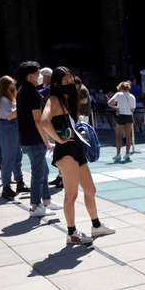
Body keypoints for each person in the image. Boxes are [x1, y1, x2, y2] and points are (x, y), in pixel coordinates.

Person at [40, 67, 115, 244]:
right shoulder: (54, 99)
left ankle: (96, 226)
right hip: (66, 152)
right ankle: (72, 233)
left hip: (77, 149)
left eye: (71, 81)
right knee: (71, 195)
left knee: (90, 190)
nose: (69, 84)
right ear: (57, 83)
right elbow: (44, 121)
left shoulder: (67, 100)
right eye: (65, 82)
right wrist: (58, 139)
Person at [16, 61, 62, 218]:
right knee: (38, 173)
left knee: (44, 171)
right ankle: (35, 206)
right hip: (34, 139)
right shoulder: (32, 93)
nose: (40, 76)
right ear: (30, 76)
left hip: (27, 138)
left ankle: (46, 201)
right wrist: (47, 141)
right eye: (37, 73)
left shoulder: (23, 90)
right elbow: (37, 120)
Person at [0, 75, 27, 198]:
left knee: (17, 156)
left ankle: (19, 182)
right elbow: (10, 116)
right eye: (12, 84)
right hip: (7, 126)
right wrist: (23, 106)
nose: (14, 86)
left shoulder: (8, 98)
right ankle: (6, 187)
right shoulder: (2, 99)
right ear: (5, 86)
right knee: (8, 157)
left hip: (11, 126)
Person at [108, 81, 136, 162]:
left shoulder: (118, 94)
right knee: (128, 136)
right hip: (129, 116)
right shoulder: (132, 96)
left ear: (120, 87)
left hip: (121, 116)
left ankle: (118, 154)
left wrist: (116, 108)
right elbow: (133, 109)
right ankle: (127, 154)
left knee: (118, 136)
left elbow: (109, 103)